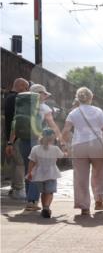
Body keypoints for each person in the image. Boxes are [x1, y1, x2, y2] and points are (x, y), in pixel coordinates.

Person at [62, 87, 103, 215]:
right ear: (91, 98)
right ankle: (99, 202)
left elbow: (65, 131)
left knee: (80, 176)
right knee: (99, 173)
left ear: (78, 98)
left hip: (78, 146)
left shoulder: (73, 113)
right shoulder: (98, 111)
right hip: (96, 145)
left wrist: (64, 145)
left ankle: (84, 207)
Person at [10, 84, 61, 212]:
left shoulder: (22, 107)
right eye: (44, 94)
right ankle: (32, 201)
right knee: (36, 171)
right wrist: (60, 138)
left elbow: (14, 125)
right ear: (39, 95)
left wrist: (10, 142)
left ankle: (29, 200)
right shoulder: (44, 107)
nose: (45, 96)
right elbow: (52, 124)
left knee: (29, 170)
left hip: (23, 141)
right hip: (37, 141)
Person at [26, 127, 63, 219]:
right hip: (51, 173)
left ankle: (44, 208)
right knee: (49, 192)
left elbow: (31, 162)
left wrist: (29, 172)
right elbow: (62, 156)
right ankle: (46, 207)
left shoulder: (35, 148)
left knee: (43, 192)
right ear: (53, 138)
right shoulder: (55, 149)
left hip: (39, 174)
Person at [3, 77, 30, 200]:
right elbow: (18, 119)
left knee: (15, 163)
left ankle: (15, 188)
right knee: (20, 163)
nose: (27, 90)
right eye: (25, 87)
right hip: (17, 135)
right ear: (20, 86)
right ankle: (19, 189)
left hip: (10, 135)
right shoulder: (18, 99)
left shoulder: (8, 98)